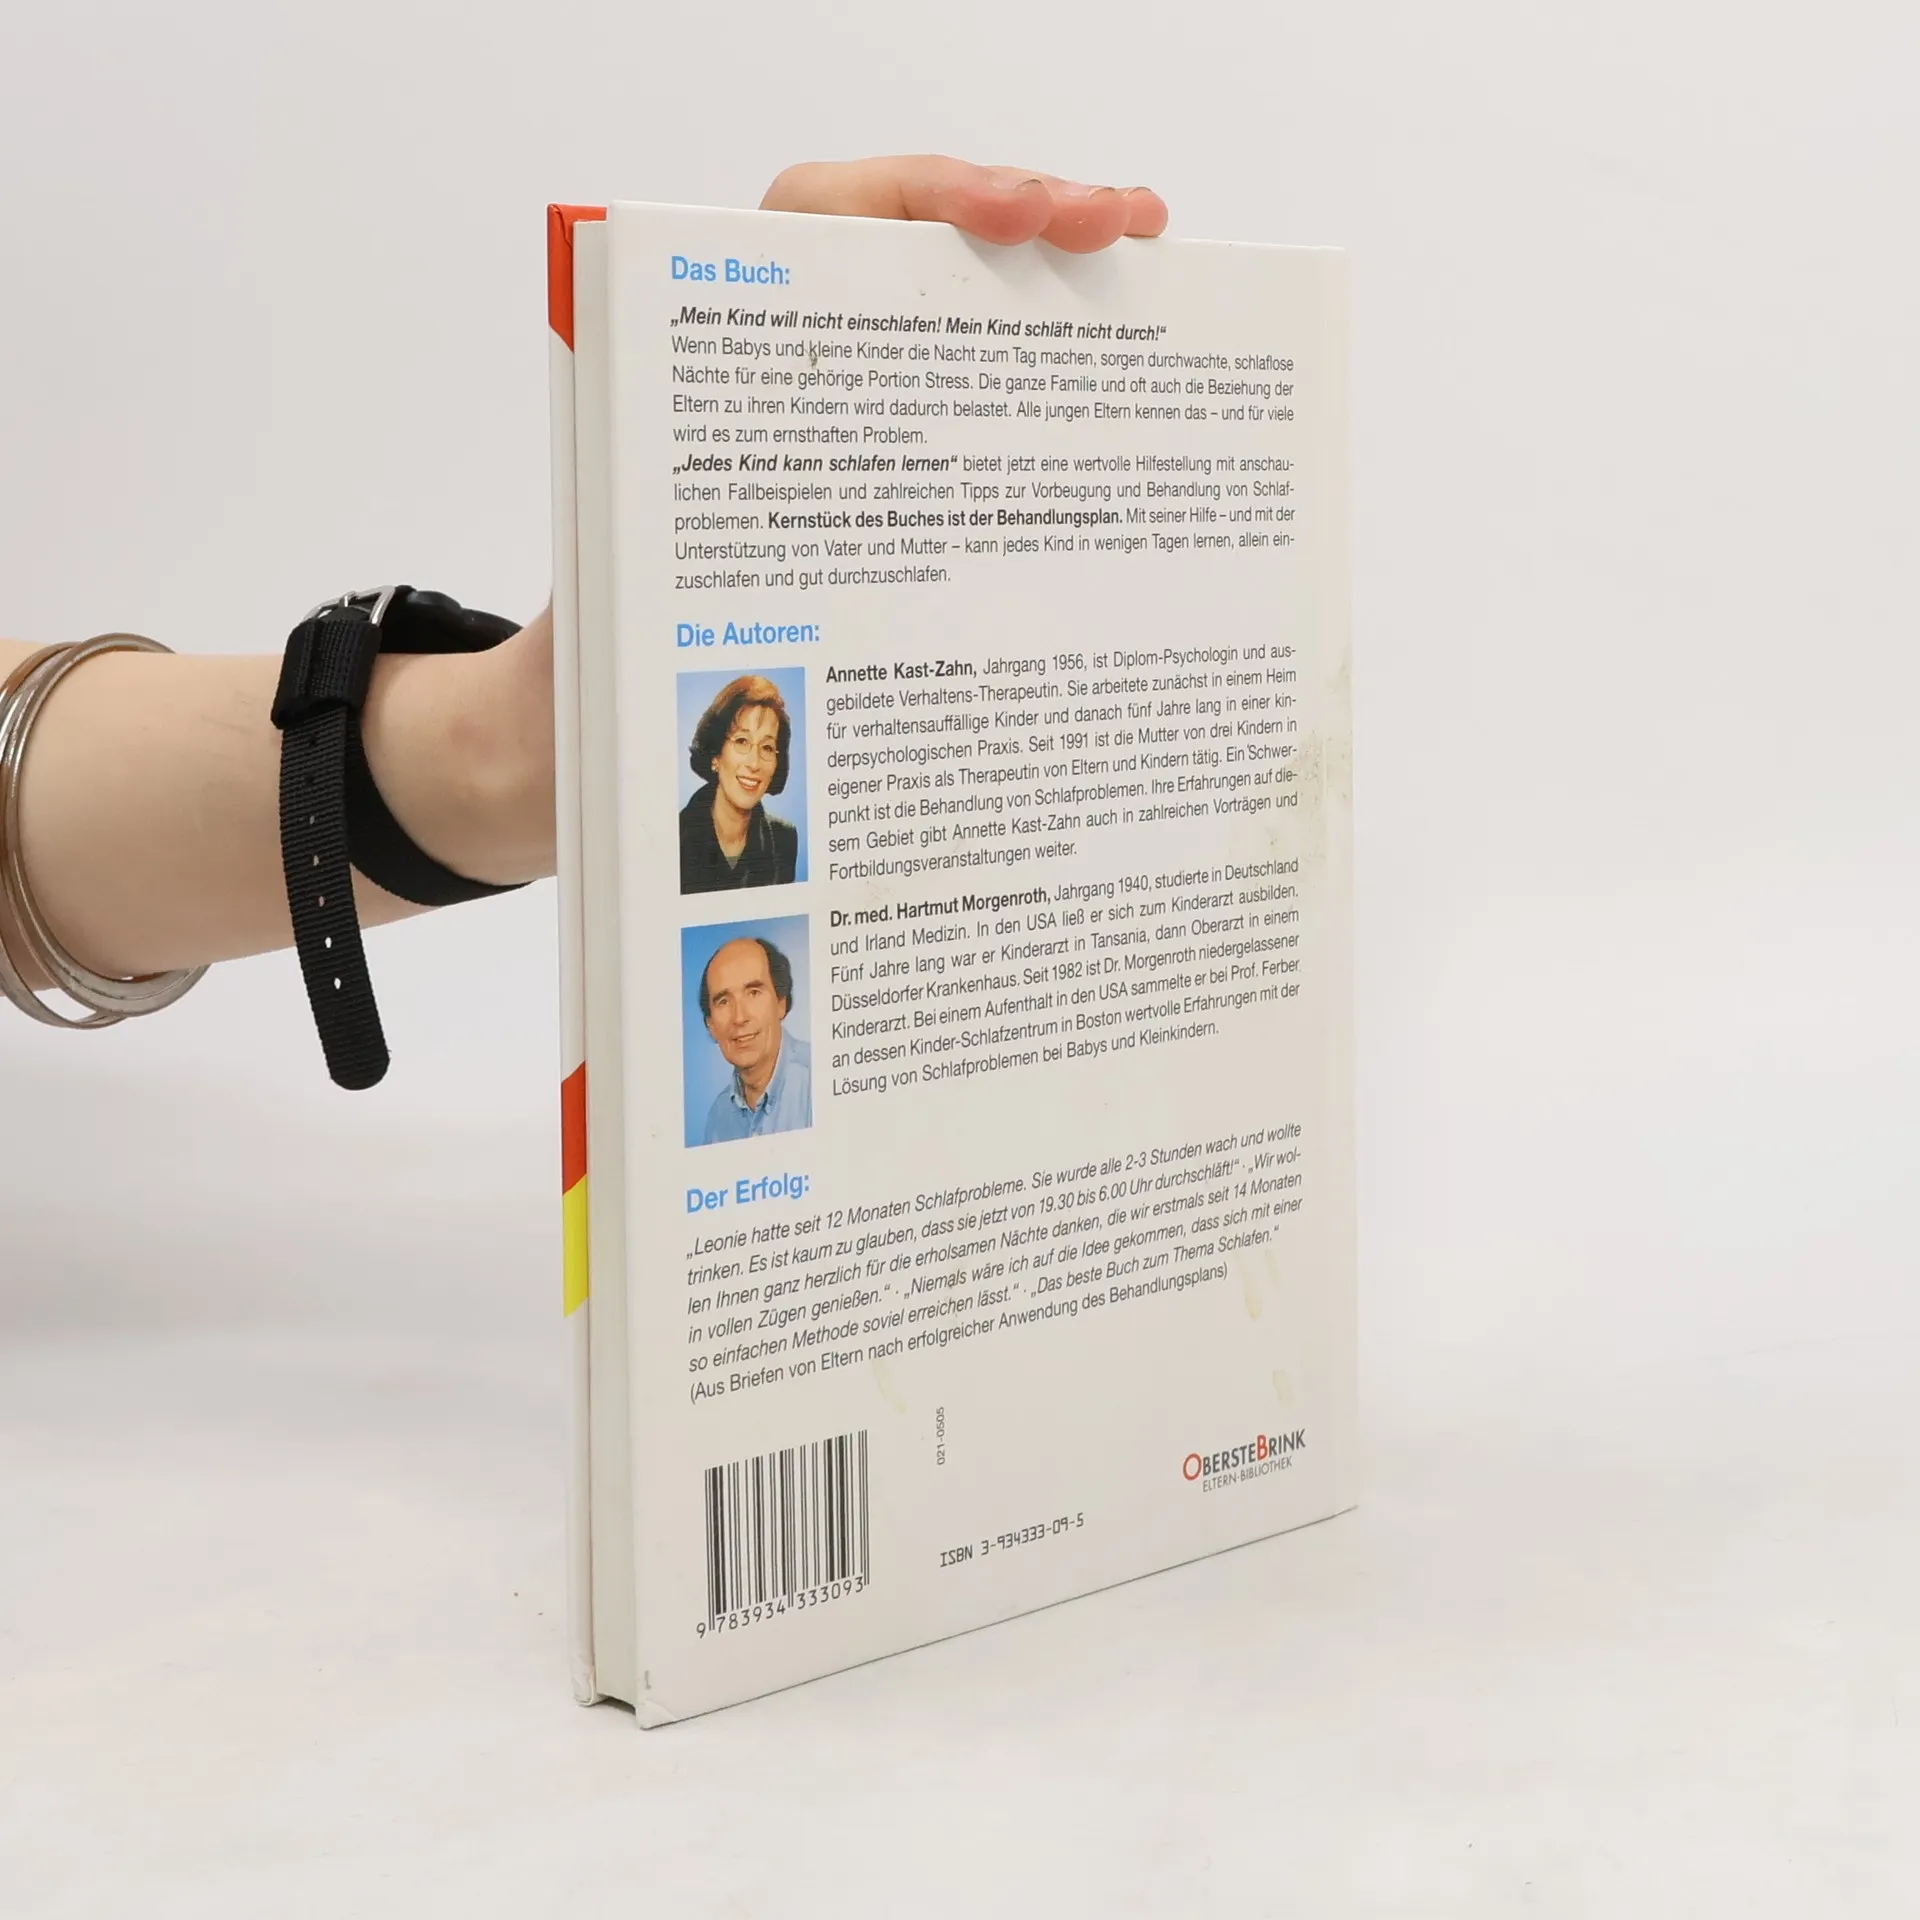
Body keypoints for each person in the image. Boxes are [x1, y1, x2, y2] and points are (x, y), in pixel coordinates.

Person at [0, 159, 1167, 1014]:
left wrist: (536, 747)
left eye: (772, 744)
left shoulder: (774, 847)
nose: (758, 759)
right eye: (745, 736)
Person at [680, 675, 797, 893]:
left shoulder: (784, 840)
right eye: (742, 741)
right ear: (715, 754)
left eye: (767, 747)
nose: (754, 763)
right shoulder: (678, 836)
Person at [696, 935, 810, 1144]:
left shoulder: (819, 1080)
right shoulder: (718, 1117)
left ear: (781, 1003)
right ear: (710, 1025)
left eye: (754, 993)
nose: (739, 1017)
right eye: (723, 1001)